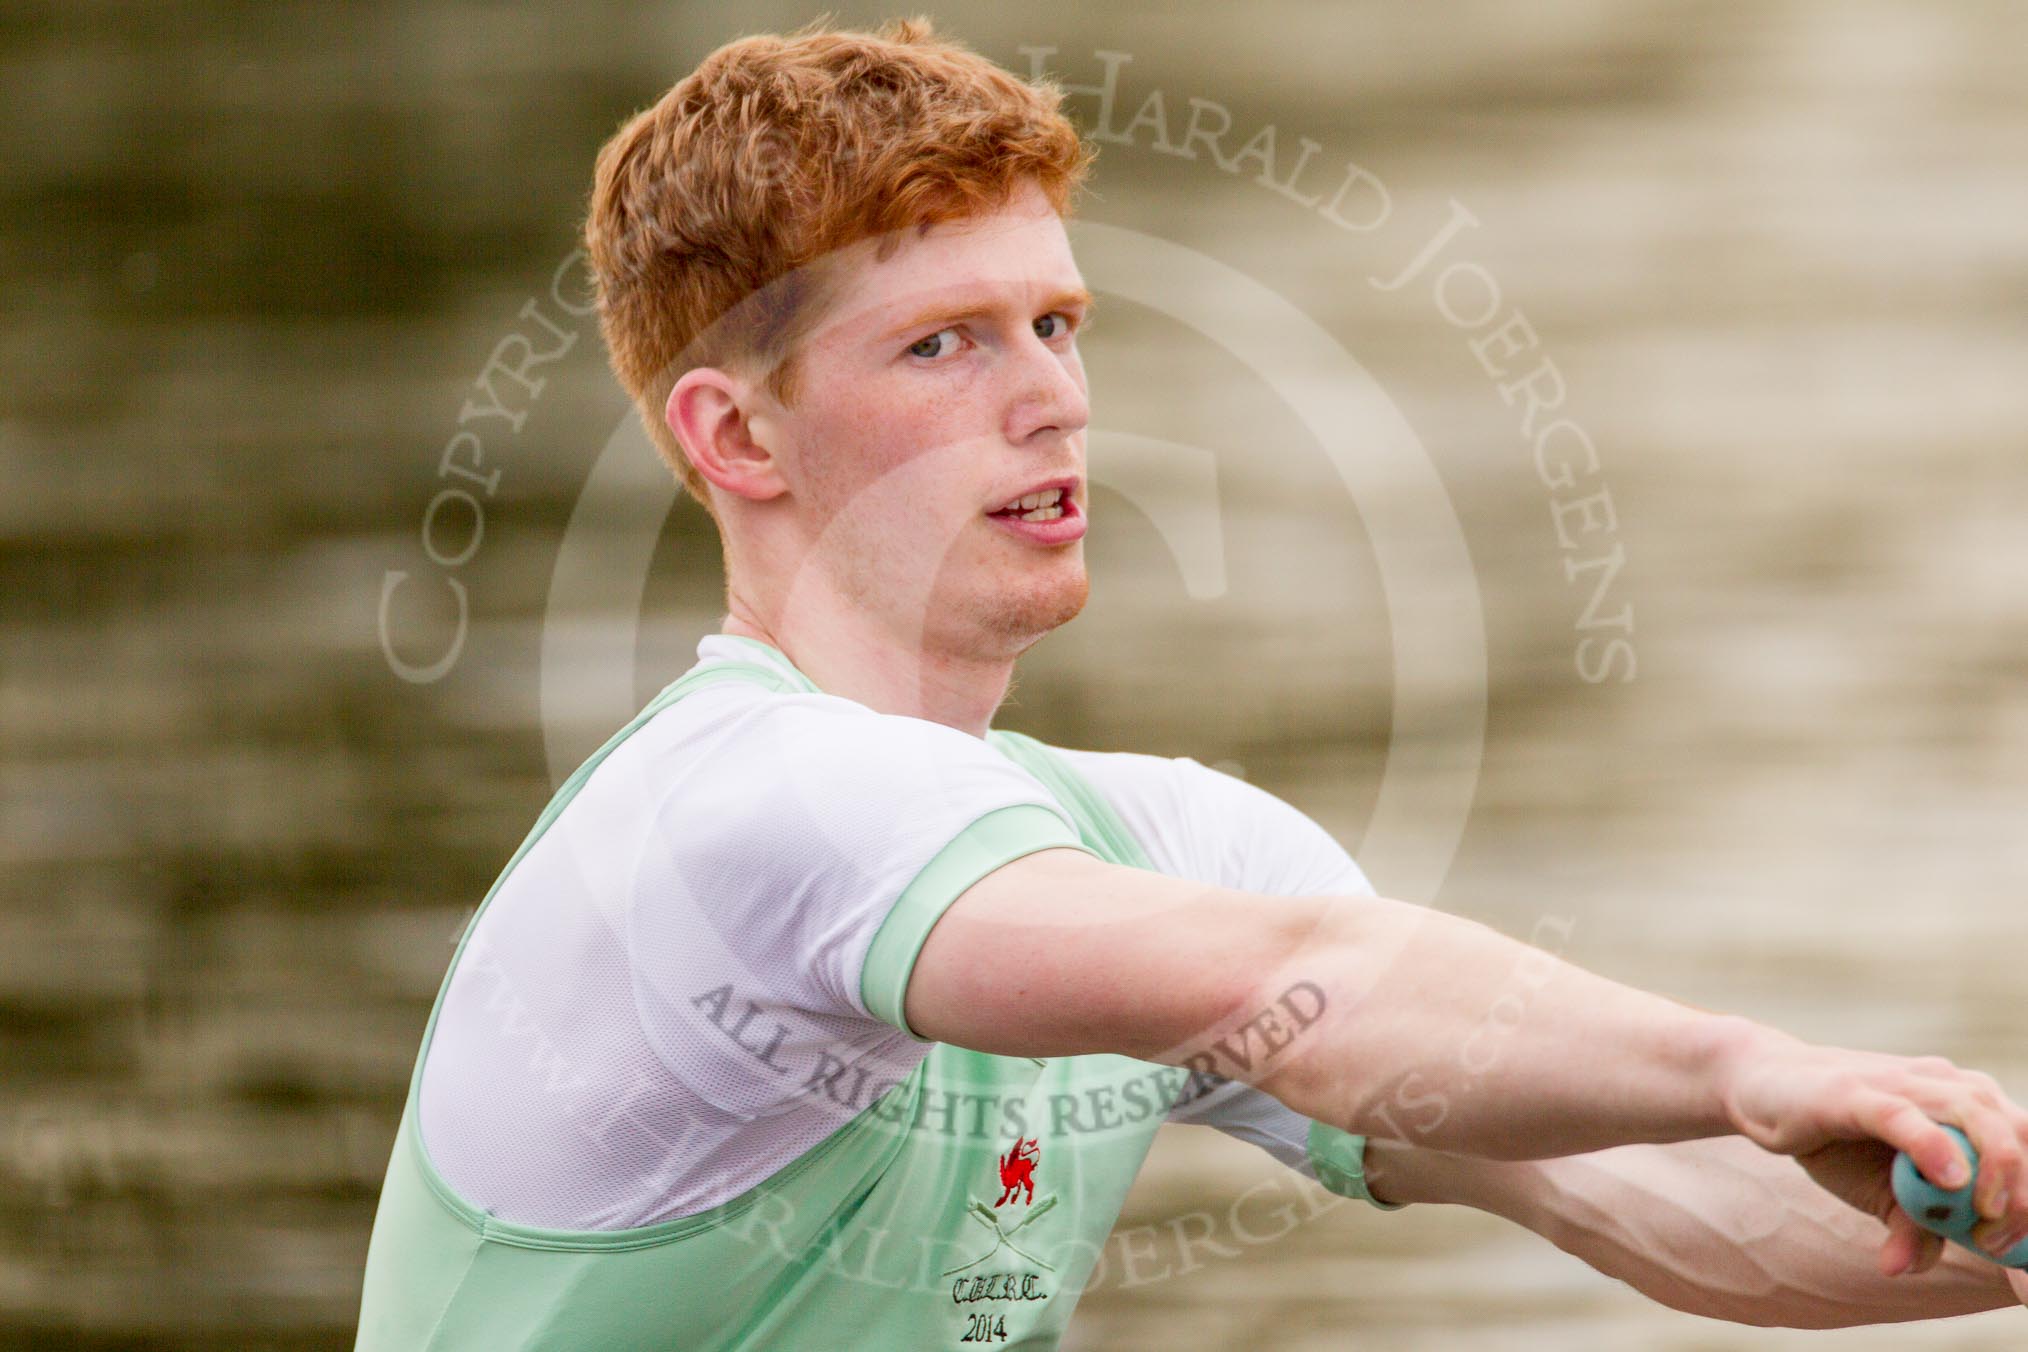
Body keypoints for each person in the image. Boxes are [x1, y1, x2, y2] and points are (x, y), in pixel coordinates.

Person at [353, 17, 2028, 1348]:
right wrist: (1748, 1061)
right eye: (945, 342)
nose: (1053, 401)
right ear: (736, 435)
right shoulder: (737, 813)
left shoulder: (1161, 848)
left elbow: (1645, 1195)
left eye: (1058, 325)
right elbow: (1309, 989)